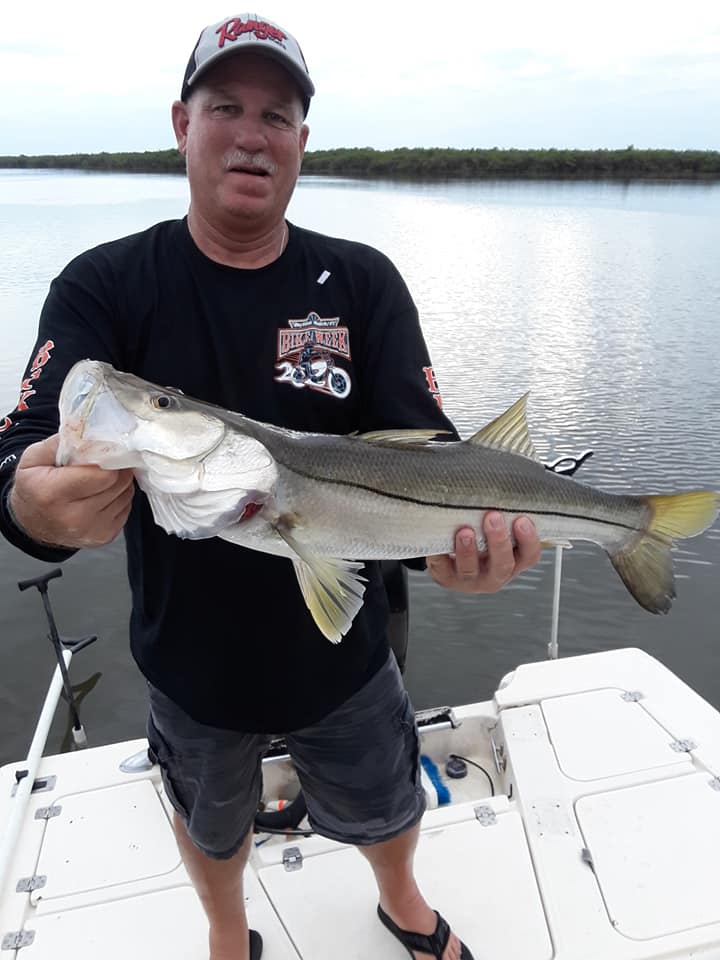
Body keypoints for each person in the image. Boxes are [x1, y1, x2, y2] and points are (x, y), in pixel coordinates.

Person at [0, 14, 541, 960]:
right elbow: (18, 452)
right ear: (181, 123)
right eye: (226, 107)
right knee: (210, 828)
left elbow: (433, 460)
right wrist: (28, 508)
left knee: (387, 803)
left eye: (278, 114)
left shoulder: (364, 283)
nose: (252, 133)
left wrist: (464, 554)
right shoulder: (105, 285)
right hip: (189, 669)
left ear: (301, 140)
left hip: (347, 659)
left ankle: (404, 906)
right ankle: (225, 934)